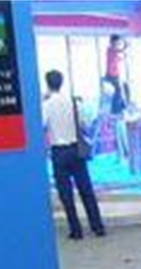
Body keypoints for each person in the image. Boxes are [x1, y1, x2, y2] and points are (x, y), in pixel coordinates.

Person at [41, 70, 105, 240]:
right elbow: (85, 124)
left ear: (47, 84)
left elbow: (41, 125)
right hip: (76, 150)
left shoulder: (47, 105)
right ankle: (97, 227)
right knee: (86, 189)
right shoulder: (73, 102)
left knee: (66, 194)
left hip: (59, 152)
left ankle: (76, 231)